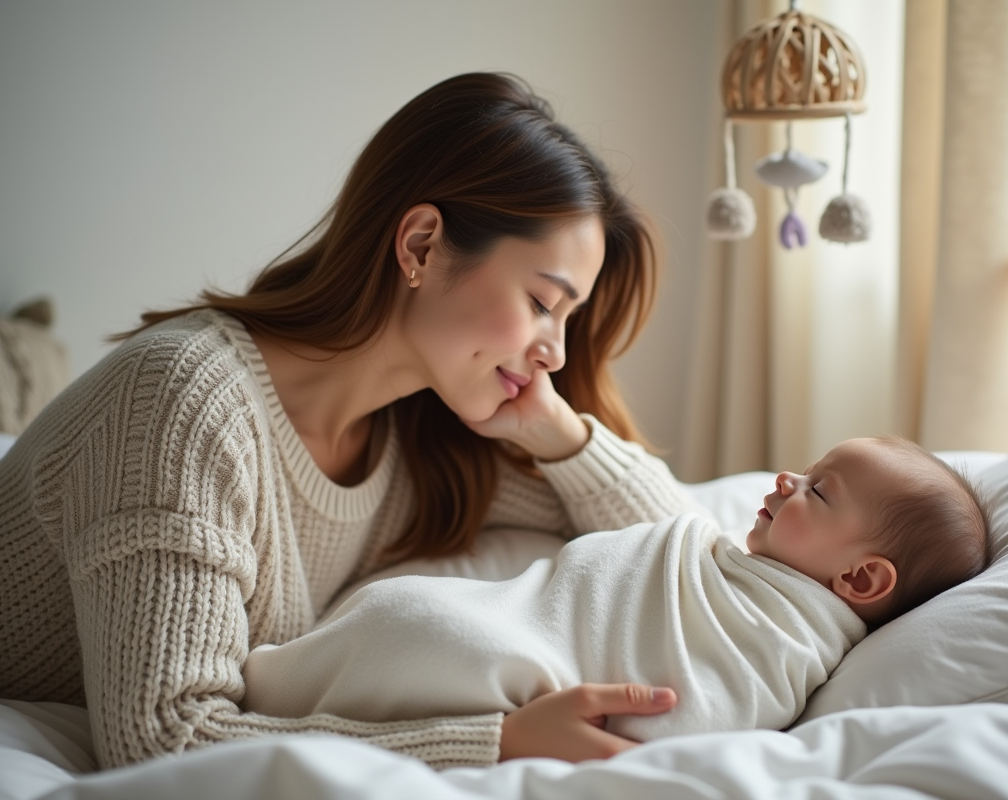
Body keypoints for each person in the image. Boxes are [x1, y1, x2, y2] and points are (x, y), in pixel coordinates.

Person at [0, 72, 705, 770]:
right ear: (422, 245)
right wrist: (496, 740)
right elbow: (168, 738)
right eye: (543, 303)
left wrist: (560, 434)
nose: (554, 351)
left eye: (569, 319)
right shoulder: (185, 400)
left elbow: (686, 560)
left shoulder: (415, 438)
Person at [240, 436, 993, 740]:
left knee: (405, 636)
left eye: (819, 492)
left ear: (861, 577)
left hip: (486, 652)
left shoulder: (781, 638)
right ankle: (274, 686)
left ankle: (274, 689)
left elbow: (698, 711)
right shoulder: (741, 565)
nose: (788, 478)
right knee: (394, 622)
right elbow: (653, 551)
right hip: (467, 616)